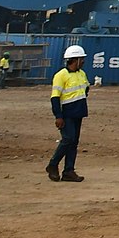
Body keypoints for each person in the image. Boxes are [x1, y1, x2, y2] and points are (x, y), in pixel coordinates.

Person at [46, 44, 91, 182]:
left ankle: (69, 171)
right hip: (67, 114)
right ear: (74, 59)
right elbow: (55, 97)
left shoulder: (82, 74)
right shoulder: (61, 75)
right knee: (68, 139)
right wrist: (58, 116)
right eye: (81, 59)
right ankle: (53, 165)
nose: (83, 61)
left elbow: (86, 89)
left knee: (74, 143)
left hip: (79, 113)